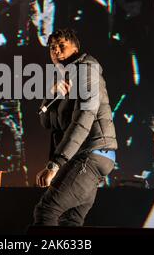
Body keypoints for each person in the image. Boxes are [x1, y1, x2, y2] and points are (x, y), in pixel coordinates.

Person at [33, 28, 118, 226]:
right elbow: (46, 122)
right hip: (89, 156)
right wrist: (50, 93)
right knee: (70, 221)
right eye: (52, 47)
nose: (56, 51)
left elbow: (84, 120)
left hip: (91, 154)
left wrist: (55, 164)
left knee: (47, 211)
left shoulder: (86, 70)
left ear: (75, 48)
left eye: (62, 45)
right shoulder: (67, 79)